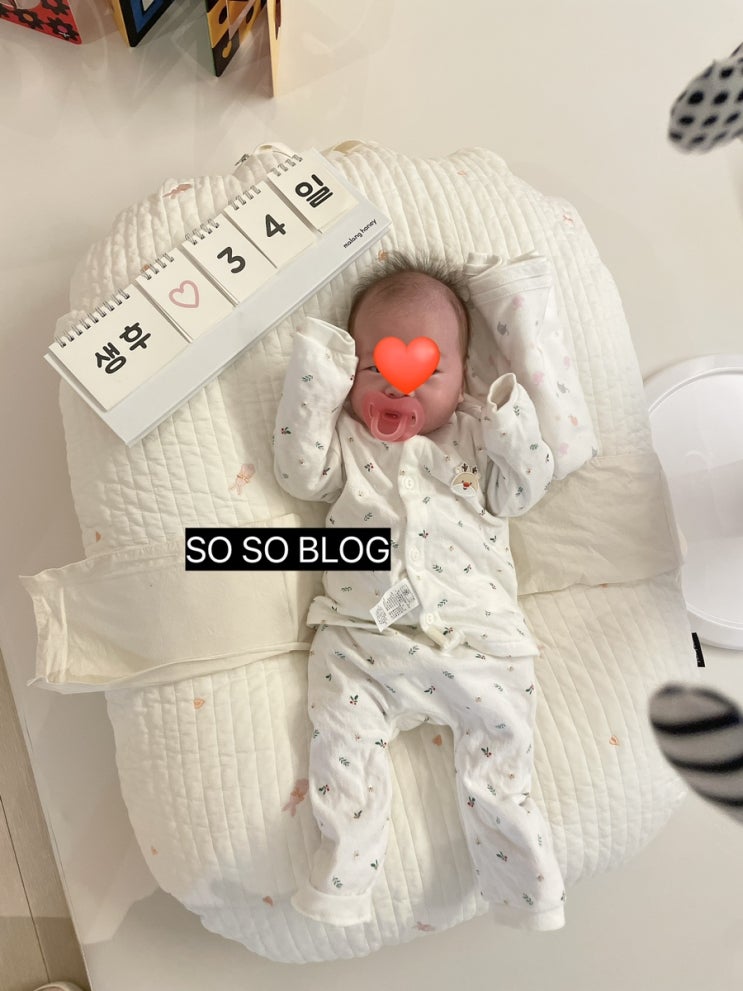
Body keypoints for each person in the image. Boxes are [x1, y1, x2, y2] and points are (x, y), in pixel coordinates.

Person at [273, 253, 566, 931]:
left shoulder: (475, 438)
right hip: (364, 639)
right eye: (375, 368)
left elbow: (522, 489)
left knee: (501, 764)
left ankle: (526, 889)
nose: (397, 386)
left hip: (478, 640)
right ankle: (342, 879)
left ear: (463, 378)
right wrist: (320, 372)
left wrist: (505, 417)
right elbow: (298, 474)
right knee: (341, 743)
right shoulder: (348, 440)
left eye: (425, 371)